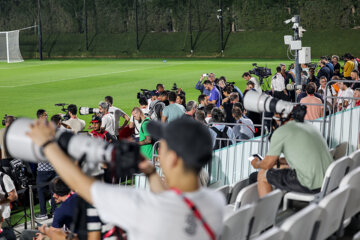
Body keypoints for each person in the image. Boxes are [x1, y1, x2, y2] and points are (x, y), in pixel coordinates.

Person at [26, 117, 225, 240]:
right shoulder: (215, 201)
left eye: (162, 146)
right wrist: (151, 173)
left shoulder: (144, 206)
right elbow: (175, 202)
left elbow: (80, 184)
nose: (157, 152)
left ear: (173, 159)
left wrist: (47, 145)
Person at [250, 106, 332, 197]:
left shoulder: (281, 131)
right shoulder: (308, 125)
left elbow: (267, 164)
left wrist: (257, 163)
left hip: (311, 185)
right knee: (281, 167)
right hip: (328, 180)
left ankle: (267, 210)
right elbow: (304, 155)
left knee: (262, 174)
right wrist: (280, 161)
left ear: (279, 118)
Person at [21, 177, 101, 240]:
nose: (52, 196)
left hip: (79, 237)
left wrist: (44, 230)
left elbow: (54, 233)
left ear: (55, 194)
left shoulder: (61, 211)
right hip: (94, 232)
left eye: (53, 193)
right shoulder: (83, 195)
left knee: (26, 234)